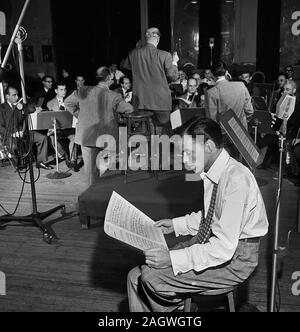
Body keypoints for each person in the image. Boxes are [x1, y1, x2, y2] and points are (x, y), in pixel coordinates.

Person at [127, 118, 268, 312]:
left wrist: (172, 260)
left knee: (151, 279)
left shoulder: (236, 179)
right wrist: (177, 224)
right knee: (134, 276)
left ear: (209, 146)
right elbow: (211, 216)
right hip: (211, 243)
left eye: (189, 153)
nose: (184, 160)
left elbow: (223, 247)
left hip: (236, 259)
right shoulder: (215, 171)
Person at [65, 67, 134, 187]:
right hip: (108, 136)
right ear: (108, 78)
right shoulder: (114, 95)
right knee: (114, 168)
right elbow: (129, 109)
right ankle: (111, 194)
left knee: (91, 173)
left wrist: (80, 115)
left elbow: (68, 103)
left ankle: (92, 196)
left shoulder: (82, 90)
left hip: (87, 135)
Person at [122, 27, 179, 133]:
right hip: (160, 102)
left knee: (144, 133)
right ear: (157, 37)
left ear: (146, 37)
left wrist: (137, 51)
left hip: (141, 101)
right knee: (162, 134)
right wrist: (174, 62)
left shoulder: (134, 53)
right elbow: (173, 77)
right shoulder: (165, 55)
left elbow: (124, 65)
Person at [0, 86, 52, 170]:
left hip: (24, 132)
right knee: (14, 146)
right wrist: (12, 134)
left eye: (17, 95)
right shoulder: (2, 108)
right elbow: (0, 127)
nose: (17, 97)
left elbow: (30, 108)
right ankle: (18, 161)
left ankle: (40, 162)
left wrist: (36, 109)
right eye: (14, 95)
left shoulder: (19, 105)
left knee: (42, 138)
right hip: (10, 135)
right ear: (7, 96)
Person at [47, 82, 76, 169]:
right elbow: (49, 119)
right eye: (61, 90)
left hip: (68, 128)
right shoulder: (50, 103)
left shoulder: (70, 102)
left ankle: (72, 160)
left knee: (74, 139)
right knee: (52, 138)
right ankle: (65, 154)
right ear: (56, 91)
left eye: (65, 89)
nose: (64, 92)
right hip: (57, 129)